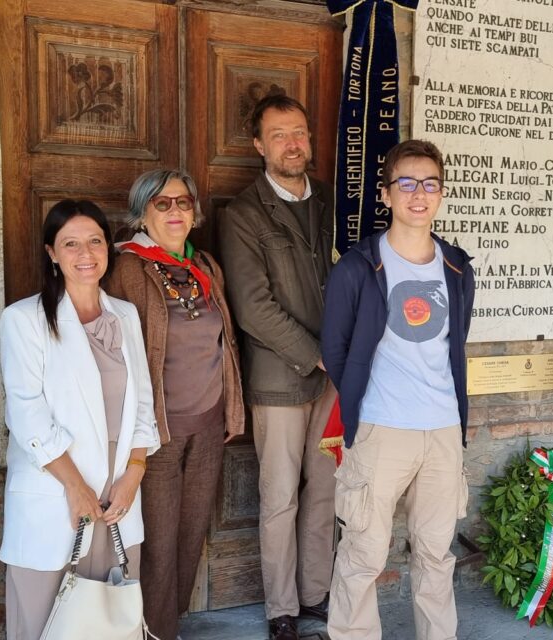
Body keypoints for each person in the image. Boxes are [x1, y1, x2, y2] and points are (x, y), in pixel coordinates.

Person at [321, 139, 475, 640]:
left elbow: (455, 343)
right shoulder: (357, 267)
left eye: (429, 183)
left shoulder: (456, 267)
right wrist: (362, 410)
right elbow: (336, 351)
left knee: (435, 553)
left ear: (441, 193)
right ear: (385, 194)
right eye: (406, 183)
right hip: (381, 429)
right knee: (363, 553)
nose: (418, 194)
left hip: (443, 430)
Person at [0, 199, 159, 639]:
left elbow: (143, 404)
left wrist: (133, 475)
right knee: (44, 617)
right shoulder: (23, 319)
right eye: (70, 243)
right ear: (51, 252)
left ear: (108, 247)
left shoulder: (125, 315)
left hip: (118, 496)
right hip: (58, 489)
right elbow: (26, 413)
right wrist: (76, 487)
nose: (85, 254)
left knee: (108, 618)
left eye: (94, 241)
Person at [105, 169, 245, 640]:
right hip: (156, 433)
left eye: (183, 203)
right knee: (158, 541)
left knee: (190, 536)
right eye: (162, 204)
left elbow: (225, 342)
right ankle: (150, 630)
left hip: (208, 426)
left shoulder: (203, 265)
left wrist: (231, 408)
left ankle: (168, 625)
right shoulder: (126, 268)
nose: (175, 212)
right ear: (142, 211)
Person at [218, 94, 337, 640]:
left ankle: (316, 595)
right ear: (259, 145)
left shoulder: (334, 204)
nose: (294, 143)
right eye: (280, 134)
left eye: (301, 132)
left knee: (326, 489)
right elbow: (252, 307)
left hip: (335, 381)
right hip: (280, 380)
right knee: (281, 495)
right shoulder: (241, 214)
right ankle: (281, 608)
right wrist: (317, 351)